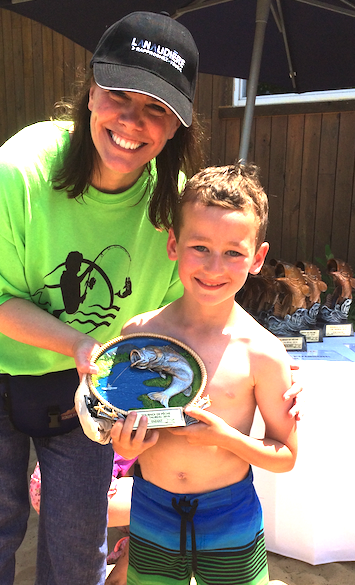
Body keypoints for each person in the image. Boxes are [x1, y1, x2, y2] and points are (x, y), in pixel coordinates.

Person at [0, 11, 300, 584]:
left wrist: (268, 366)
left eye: (156, 109)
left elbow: (190, 321)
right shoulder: (21, 169)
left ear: (176, 127)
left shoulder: (172, 206)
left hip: (90, 390)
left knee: (77, 548)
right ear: (90, 91)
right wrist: (82, 345)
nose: (132, 121)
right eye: (119, 94)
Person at [110, 163, 298, 585]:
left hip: (230, 514)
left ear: (257, 258)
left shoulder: (263, 352)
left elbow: (287, 456)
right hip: (151, 509)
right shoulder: (138, 334)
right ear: (174, 244)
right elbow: (118, 421)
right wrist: (124, 442)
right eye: (200, 247)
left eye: (233, 252)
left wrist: (223, 438)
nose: (214, 267)